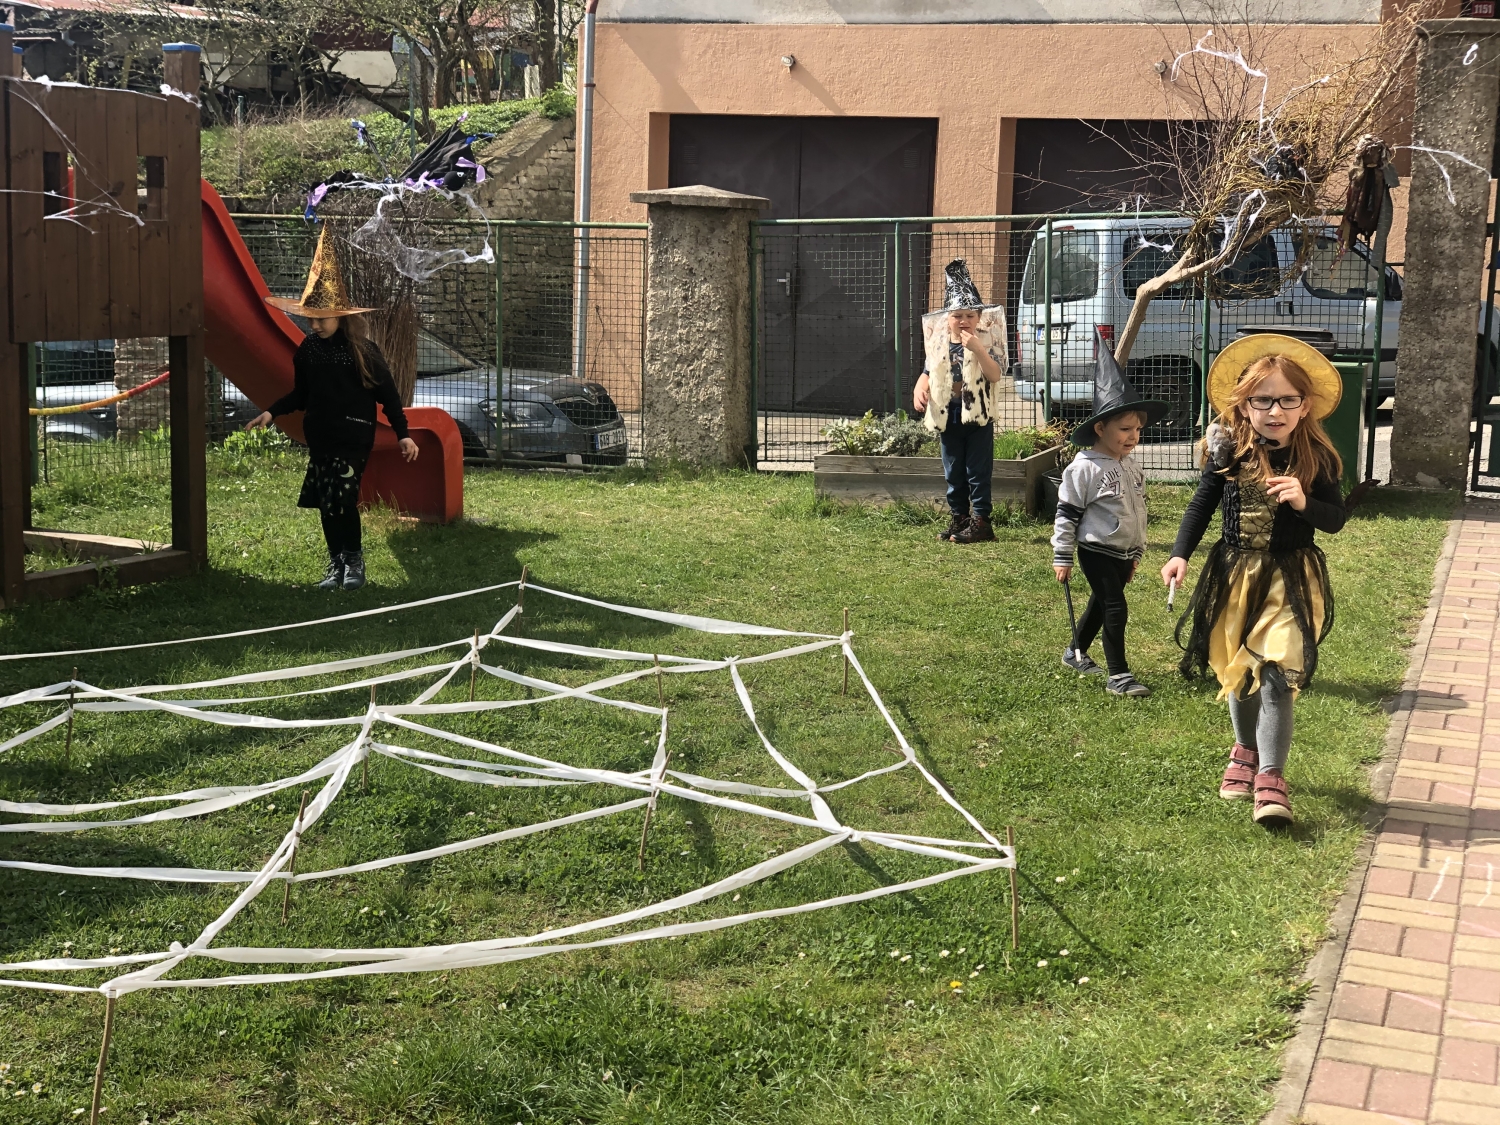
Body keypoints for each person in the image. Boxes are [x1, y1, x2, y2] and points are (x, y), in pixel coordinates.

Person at [1161, 334, 1347, 828]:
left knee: (1277, 673)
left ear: (1305, 406)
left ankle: (1271, 779)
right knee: (1238, 671)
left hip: (1291, 580)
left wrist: (1304, 502)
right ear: (1243, 406)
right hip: (1235, 577)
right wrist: (1179, 554)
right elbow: (1201, 504)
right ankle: (1244, 750)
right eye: (1262, 400)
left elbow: (1335, 519)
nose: (1275, 411)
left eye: (1287, 400)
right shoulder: (1228, 452)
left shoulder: (1318, 457)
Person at [245, 226, 418, 592]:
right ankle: (336, 561)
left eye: (321, 318)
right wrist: (271, 412)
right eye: (310, 318)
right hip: (321, 438)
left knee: (342, 498)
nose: (314, 324)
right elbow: (302, 394)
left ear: (340, 316)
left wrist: (403, 434)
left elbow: (388, 396)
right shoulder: (308, 350)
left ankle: (354, 560)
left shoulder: (363, 352)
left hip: (353, 438)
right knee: (327, 502)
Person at [1051, 331, 1167, 697]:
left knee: (1101, 605)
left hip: (1123, 553)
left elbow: (1139, 511)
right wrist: (1062, 555)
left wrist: (1136, 552)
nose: (1133, 436)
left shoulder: (1131, 466)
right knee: (1115, 607)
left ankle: (1075, 651)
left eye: (1137, 429)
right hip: (1096, 549)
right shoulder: (1084, 468)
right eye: (1124, 429)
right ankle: (1119, 675)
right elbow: (1067, 512)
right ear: (1100, 428)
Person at [912, 260, 1008, 543]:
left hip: (977, 416)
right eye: (957, 315)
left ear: (978, 317)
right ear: (947, 318)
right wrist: (919, 390)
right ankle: (960, 517)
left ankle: (982, 522)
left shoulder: (986, 342)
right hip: (948, 415)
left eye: (969, 315)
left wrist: (978, 350)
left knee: (977, 471)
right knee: (953, 471)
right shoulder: (939, 343)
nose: (963, 320)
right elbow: (928, 372)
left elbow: (994, 375)